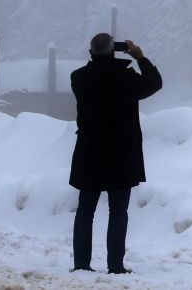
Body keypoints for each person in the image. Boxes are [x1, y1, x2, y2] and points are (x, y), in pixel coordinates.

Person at [69, 33, 162, 274]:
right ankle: (115, 265)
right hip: (121, 154)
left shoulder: (78, 78)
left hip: (89, 153)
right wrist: (140, 57)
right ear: (114, 52)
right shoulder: (127, 78)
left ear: (91, 53)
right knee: (118, 211)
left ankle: (81, 264)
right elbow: (154, 82)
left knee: (85, 210)